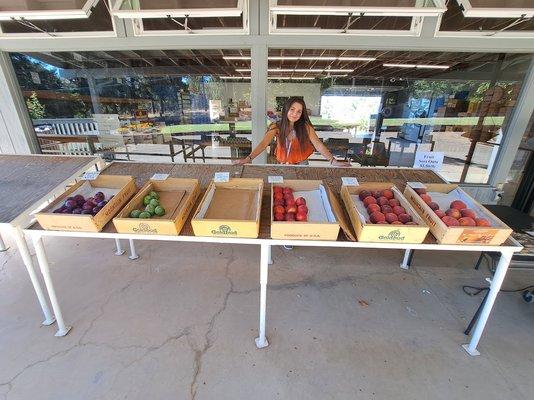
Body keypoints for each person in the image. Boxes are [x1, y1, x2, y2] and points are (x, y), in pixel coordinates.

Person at [234, 97, 351, 167]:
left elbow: (318, 144)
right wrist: (247, 159)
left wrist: (333, 161)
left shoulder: (305, 127)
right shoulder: (276, 127)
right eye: (292, 109)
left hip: (302, 164)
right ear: (286, 110)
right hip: (282, 164)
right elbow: (263, 144)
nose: (295, 114)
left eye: (299, 111)